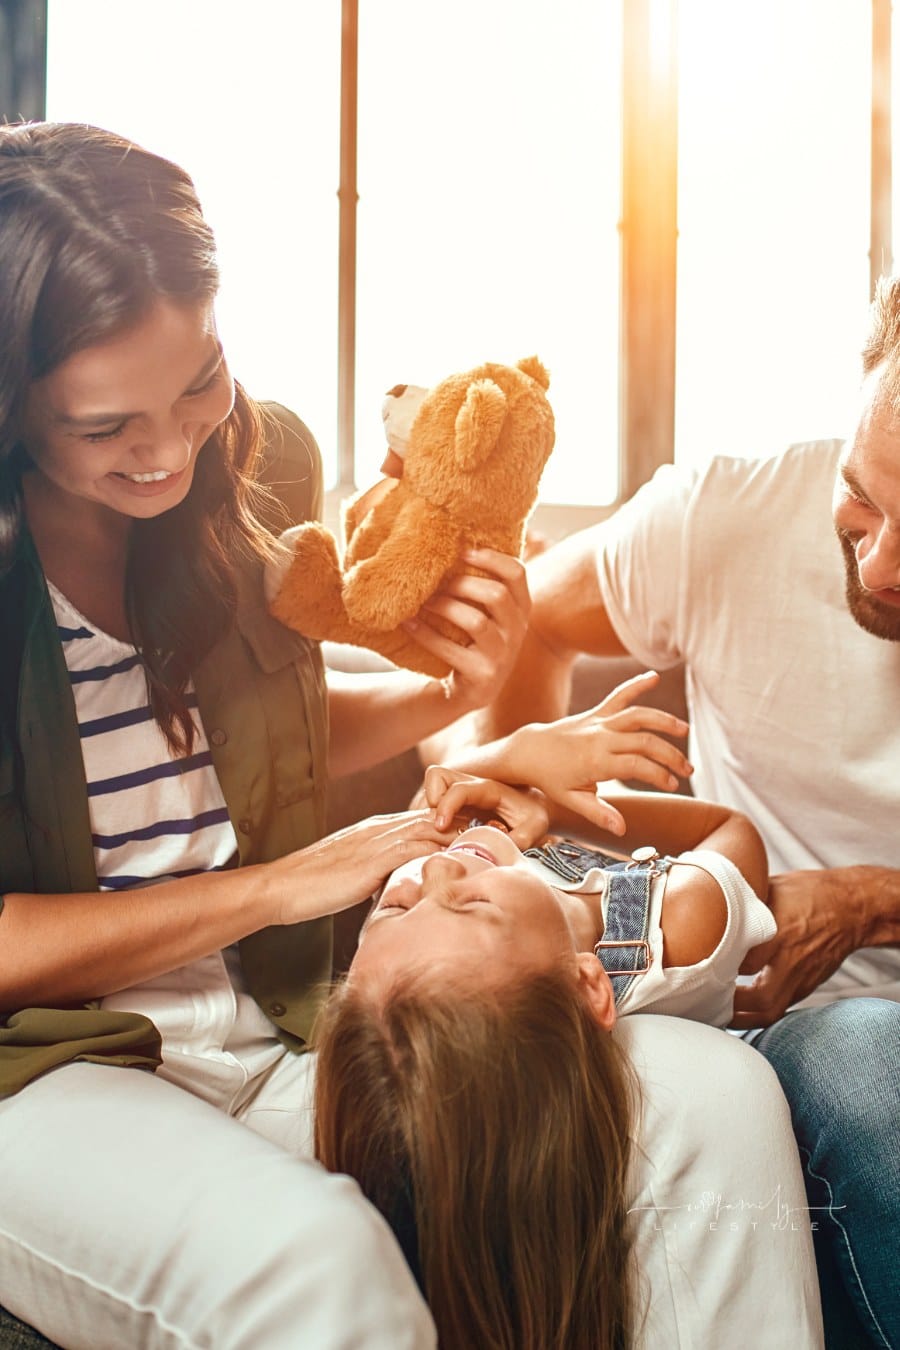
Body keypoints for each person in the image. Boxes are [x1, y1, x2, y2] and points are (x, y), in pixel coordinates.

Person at [0, 120, 698, 1349]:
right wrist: (282, 887)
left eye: (199, 382)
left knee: (706, 1105)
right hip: (52, 1070)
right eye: (106, 429)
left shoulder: (230, 488)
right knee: (319, 1266)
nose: (166, 452)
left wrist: (452, 695)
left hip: (265, 1024)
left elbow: (254, 734)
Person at [427, 280, 900, 1349]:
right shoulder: (725, 518)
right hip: (825, 1031)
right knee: (875, 1069)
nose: (879, 565)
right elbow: (534, 621)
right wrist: (526, 794)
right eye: (861, 497)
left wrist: (874, 903)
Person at [313, 765, 825, 1350]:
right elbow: (730, 828)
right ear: (588, 986)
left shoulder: (423, 974)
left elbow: (440, 805)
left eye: (396, 907)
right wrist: (553, 806)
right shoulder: (678, 922)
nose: (433, 869)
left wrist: (498, 780)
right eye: (473, 905)